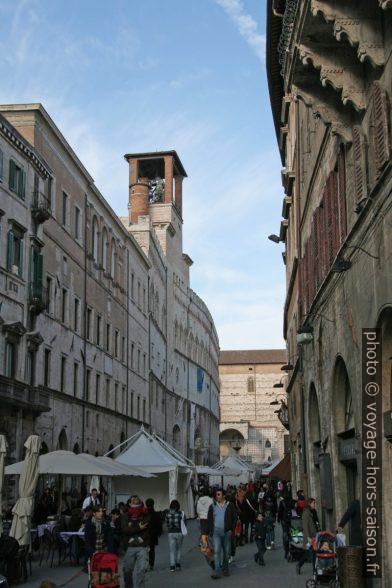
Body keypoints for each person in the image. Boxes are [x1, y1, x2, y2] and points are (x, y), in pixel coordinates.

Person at [207, 488, 238, 580]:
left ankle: (225, 569)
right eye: (216, 494)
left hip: (226, 532)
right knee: (217, 551)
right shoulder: (212, 506)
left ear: (224, 495)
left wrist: (231, 529)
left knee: (226, 552)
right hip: (216, 532)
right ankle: (217, 571)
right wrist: (210, 531)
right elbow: (209, 519)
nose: (217, 496)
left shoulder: (230, 505)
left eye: (219, 494)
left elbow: (235, 518)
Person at [121, 501, 150, 587]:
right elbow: (125, 530)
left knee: (141, 570)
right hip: (130, 546)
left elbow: (148, 529)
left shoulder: (145, 515)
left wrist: (143, 538)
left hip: (142, 546)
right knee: (127, 570)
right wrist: (138, 528)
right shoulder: (126, 516)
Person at [296, 498, 318, 575]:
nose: (315, 504)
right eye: (313, 503)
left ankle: (314, 570)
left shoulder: (311, 512)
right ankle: (314, 570)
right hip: (309, 537)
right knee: (310, 553)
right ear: (309, 504)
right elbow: (305, 526)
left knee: (311, 552)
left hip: (313, 536)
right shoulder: (306, 513)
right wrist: (308, 537)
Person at [165, 499, 186, 572]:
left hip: (171, 532)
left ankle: (172, 566)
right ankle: (178, 564)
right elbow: (185, 523)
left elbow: (167, 523)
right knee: (179, 548)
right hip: (179, 532)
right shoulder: (181, 513)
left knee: (172, 550)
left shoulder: (167, 513)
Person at [145, 498, 162, 570]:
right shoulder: (156, 514)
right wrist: (159, 533)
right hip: (153, 534)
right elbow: (159, 524)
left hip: (145, 534)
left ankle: (146, 565)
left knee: (145, 551)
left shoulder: (144, 514)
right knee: (152, 550)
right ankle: (151, 565)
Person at [277, 494, 292, 559]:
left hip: (284, 520)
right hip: (291, 520)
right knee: (292, 533)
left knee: (285, 533)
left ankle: (286, 550)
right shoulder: (292, 502)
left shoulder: (282, 502)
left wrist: (278, 519)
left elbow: (280, 511)